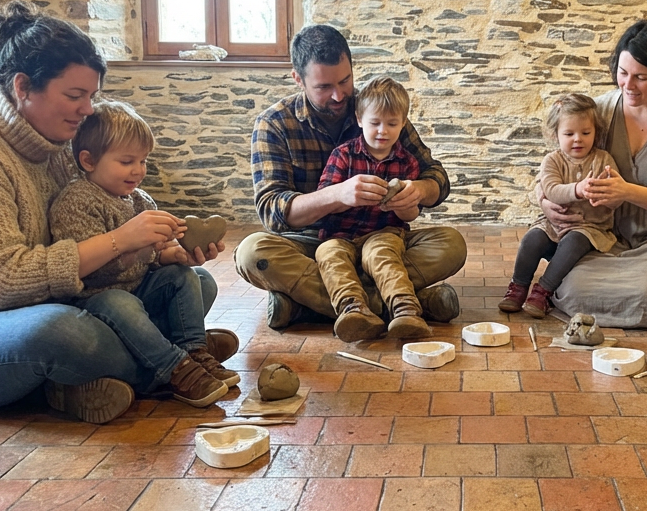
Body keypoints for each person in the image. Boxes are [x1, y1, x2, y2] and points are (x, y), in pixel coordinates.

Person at [0, 0, 235, 425]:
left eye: (92, 96)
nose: (88, 109)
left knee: (196, 282)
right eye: (75, 95)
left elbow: (101, 246)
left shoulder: (58, 145)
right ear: (23, 87)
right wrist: (122, 239)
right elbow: (4, 282)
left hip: (47, 304)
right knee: (65, 333)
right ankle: (174, 359)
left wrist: (161, 252)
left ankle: (95, 379)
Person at [235, 25, 467, 330]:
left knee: (452, 244)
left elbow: (437, 176)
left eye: (345, 80)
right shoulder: (274, 124)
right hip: (313, 242)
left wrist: (419, 191)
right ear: (298, 79)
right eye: (323, 86)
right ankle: (407, 303)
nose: (339, 94)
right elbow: (272, 211)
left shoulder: (376, 108)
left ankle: (315, 305)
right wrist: (336, 195)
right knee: (252, 254)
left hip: (383, 237)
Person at [49, 100, 235, 407]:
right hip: (97, 302)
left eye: (143, 161)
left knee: (193, 277)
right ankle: (175, 368)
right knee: (119, 301)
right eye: (126, 161)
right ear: (88, 160)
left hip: (137, 292)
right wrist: (136, 250)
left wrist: (173, 256)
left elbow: (154, 255)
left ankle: (194, 352)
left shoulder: (140, 199)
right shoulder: (77, 202)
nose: (138, 170)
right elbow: (89, 272)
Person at [537, 19, 647, 329]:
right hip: (603, 238)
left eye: (641, 77)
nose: (628, 86)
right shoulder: (601, 111)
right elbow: (554, 165)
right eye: (622, 73)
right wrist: (542, 198)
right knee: (571, 290)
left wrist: (627, 191)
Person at [314, 77, 435, 342]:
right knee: (328, 254)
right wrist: (345, 195)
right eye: (375, 123)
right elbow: (324, 200)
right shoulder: (343, 154)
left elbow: (411, 216)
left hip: (384, 231)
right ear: (359, 119)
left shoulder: (407, 163)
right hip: (339, 234)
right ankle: (353, 310)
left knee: (381, 254)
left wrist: (404, 204)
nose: (383, 131)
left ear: (403, 123)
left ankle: (406, 310)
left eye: (392, 124)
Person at [499, 93, 620, 318]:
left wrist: (607, 194)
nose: (578, 139)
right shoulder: (552, 160)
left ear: (596, 132)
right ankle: (518, 286)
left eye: (586, 133)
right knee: (532, 239)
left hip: (589, 227)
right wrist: (578, 189)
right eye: (569, 133)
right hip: (552, 225)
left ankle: (543, 291)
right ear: (555, 135)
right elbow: (551, 190)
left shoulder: (603, 160)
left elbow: (616, 194)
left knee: (574, 241)